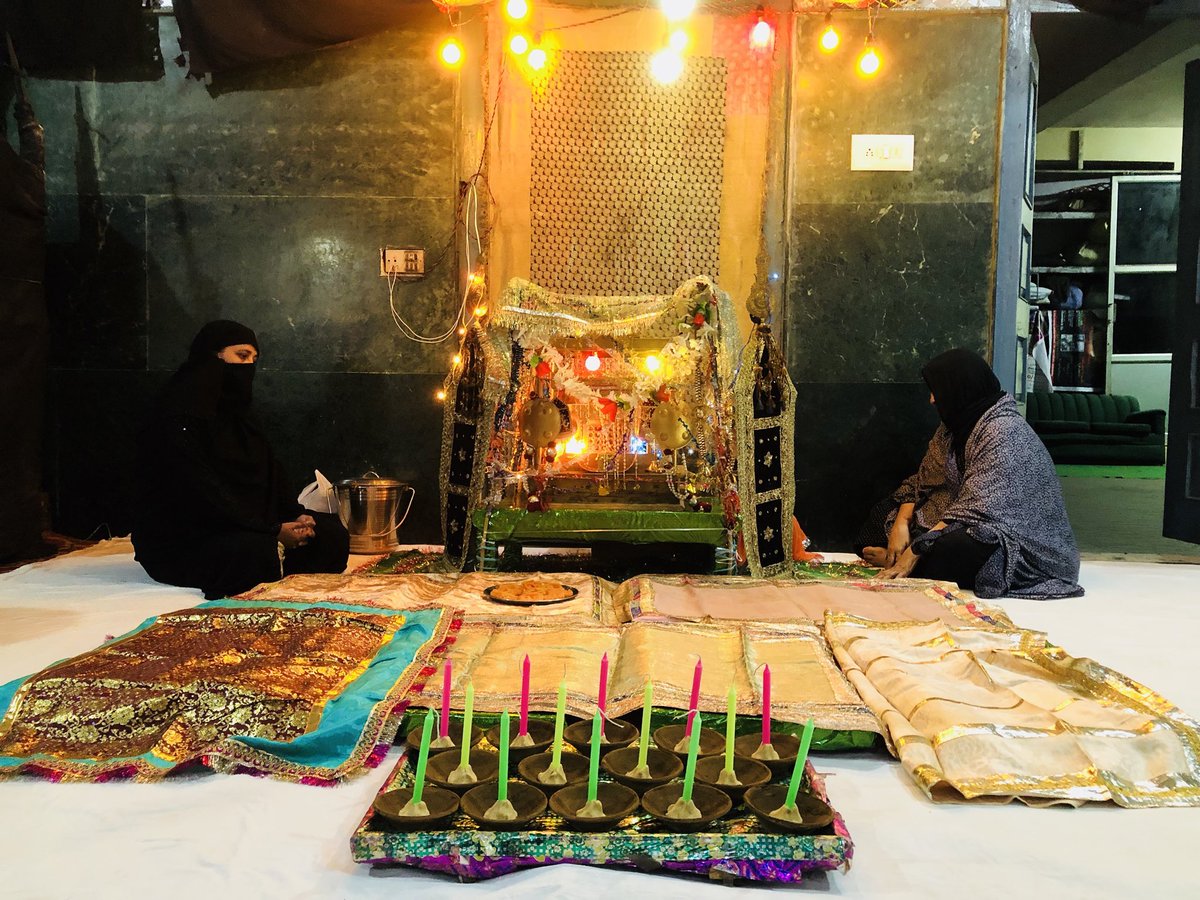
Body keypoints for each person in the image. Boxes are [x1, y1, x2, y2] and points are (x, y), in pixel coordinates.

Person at [132, 320, 349, 598]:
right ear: (212, 357)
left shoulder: (239, 415)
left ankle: (276, 554)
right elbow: (200, 493)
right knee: (254, 552)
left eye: (254, 359)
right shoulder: (177, 416)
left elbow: (270, 473)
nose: (248, 368)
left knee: (331, 536)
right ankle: (273, 556)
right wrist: (271, 530)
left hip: (249, 527)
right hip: (188, 537)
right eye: (242, 356)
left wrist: (293, 516)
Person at [859, 348, 1082, 599]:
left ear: (961, 388)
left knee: (962, 547)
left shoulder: (1003, 432)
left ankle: (908, 563)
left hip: (1018, 540)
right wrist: (901, 522)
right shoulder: (954, 426)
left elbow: (978, 510)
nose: (933, 399)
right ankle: (907, 556)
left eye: (939, 390)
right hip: (956, 515)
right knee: (878, 520)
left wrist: (913, 552)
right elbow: (922, 481)